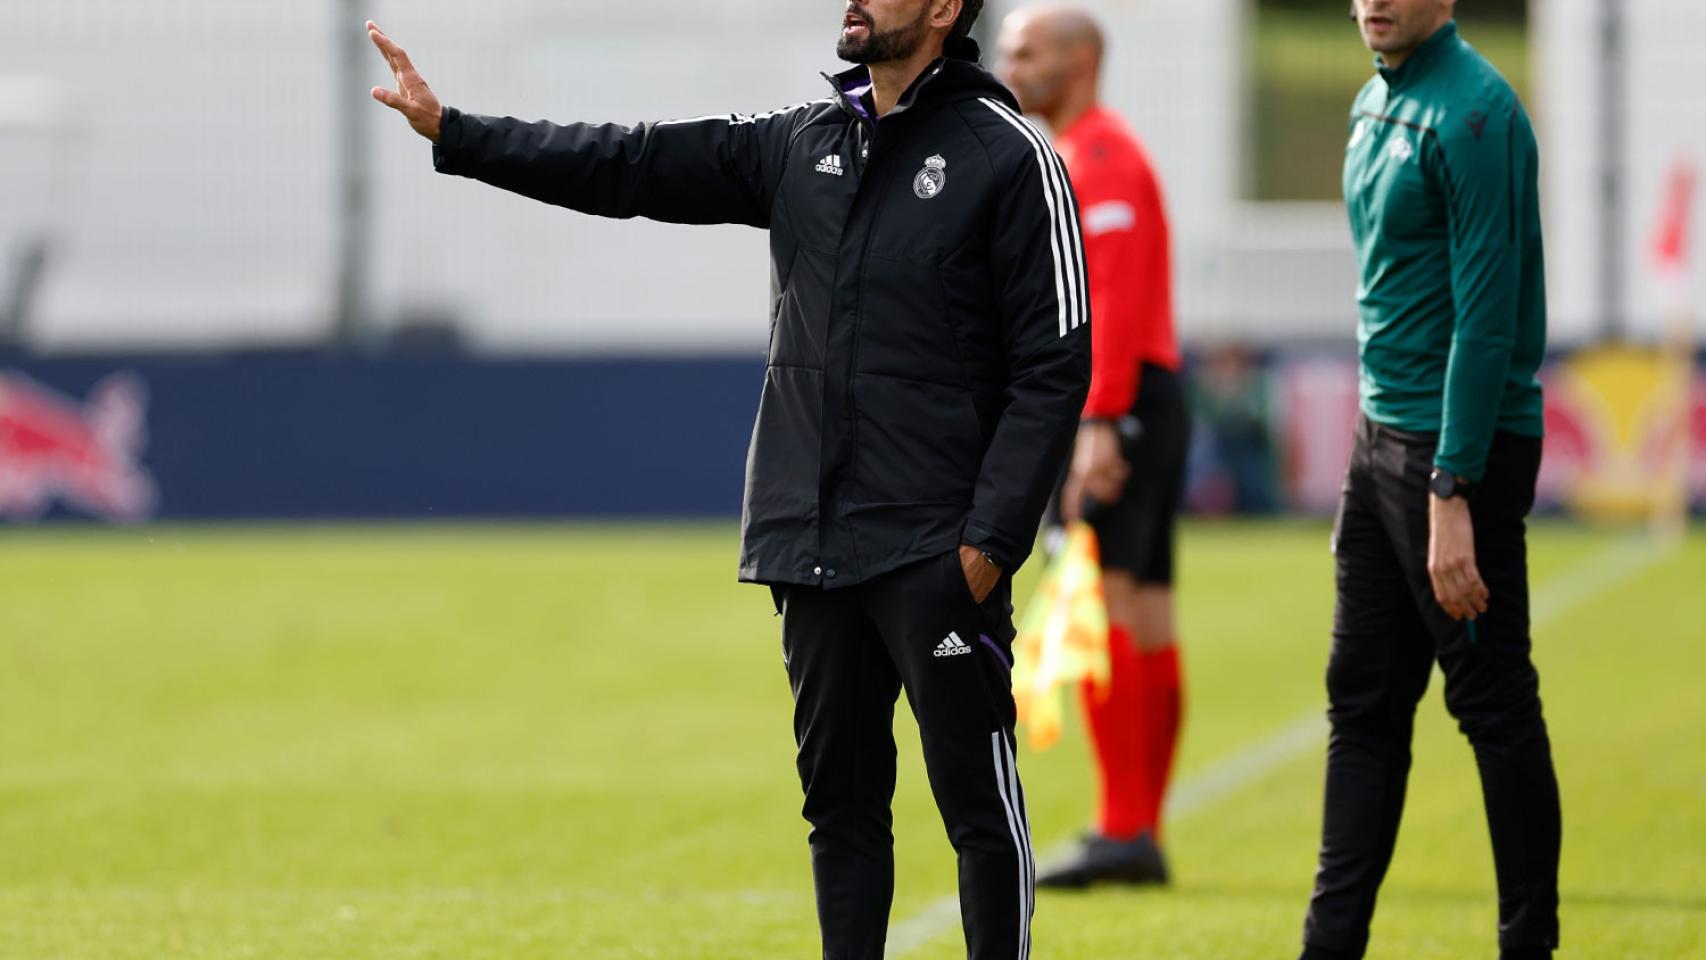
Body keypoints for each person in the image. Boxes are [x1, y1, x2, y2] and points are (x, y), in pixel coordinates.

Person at [366, 2, 1091, 957]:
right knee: (840, 814)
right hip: (813, 546)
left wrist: (989, 546)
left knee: (976, 813)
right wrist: (458, 133)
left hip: (935, 552)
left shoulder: (1009, 154)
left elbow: (1055, 365)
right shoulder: (800, 141)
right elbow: (626, 163)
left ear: (945, 8)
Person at [1299, 2, 1559, 958]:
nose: (1375, 0)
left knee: (1492, 706)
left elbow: (1486, 316)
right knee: (1361, 705)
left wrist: (1450, 487)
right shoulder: (1377, 99)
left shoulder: (1476, 112)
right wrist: (1375, 463)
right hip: (1383, 445)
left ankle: (1529, 945)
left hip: (1457, 454)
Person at [996, 6, 1187, 888]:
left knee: (1105, 611)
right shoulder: (1091, 152)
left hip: (1116, 404)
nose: (1010, 65)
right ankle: (1138, 828)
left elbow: (1104, 299)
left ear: (1079, 62)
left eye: (1027, 52)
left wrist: (1096, 424)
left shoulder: (1096, 157)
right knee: (1141, 612)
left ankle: (1122, 828)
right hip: (1142, 396)